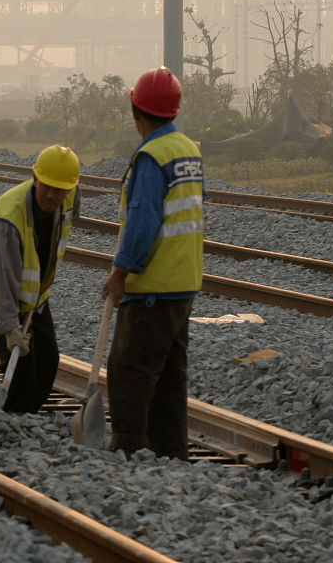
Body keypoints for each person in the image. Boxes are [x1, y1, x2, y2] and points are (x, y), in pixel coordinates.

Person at [102, 66, 204, 461]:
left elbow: (144, 220)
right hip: (185, 282)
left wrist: (120, 272)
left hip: (153, 286)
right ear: (174, 111)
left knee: (130, 367)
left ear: (135, 112)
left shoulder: (151, 156)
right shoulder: (188, 150)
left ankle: (128, 447)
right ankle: (170, 450)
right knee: (169, 375)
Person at [0, 144, 81, 414]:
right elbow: (4, 279)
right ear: (35, 179)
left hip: (36, 293)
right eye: (47, 187)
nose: (53, 195)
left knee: (48, 361)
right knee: (20, 364)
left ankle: (28, 415)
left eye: (60, 190)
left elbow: (65, 219)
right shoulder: (9, 218)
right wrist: (10, 329)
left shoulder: (70, 194)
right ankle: (13, 417)